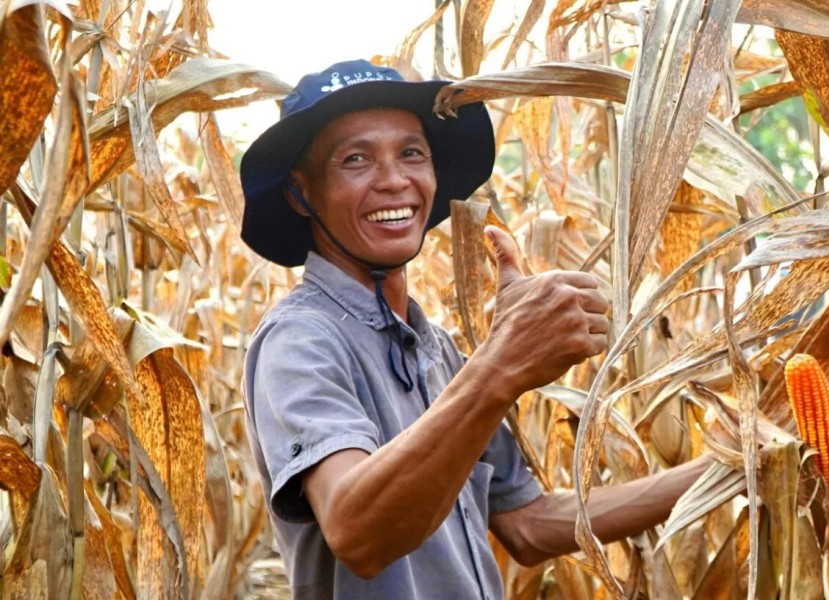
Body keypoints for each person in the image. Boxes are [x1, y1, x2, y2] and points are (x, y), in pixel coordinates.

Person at [240, 59, 713, 599]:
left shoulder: (436, 350)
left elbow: (531, 525)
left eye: (412, 153)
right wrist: (503, 363)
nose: (394, 180)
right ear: (302, 193)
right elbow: (358, 532)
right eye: (355, 159)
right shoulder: (301, 340)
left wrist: (730, 467)